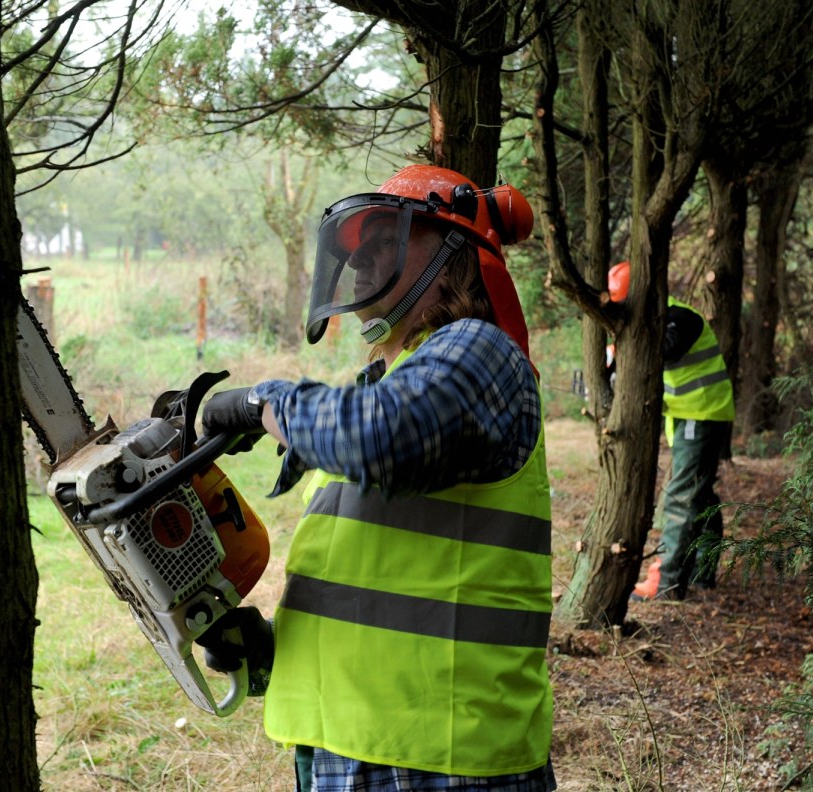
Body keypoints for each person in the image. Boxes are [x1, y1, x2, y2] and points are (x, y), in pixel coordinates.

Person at [198, 165, 556, 791]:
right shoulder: (389, 387)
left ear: (454, 254)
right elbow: (382, 595)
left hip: (444, 761)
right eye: (358, 246)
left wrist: (265, 403)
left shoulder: (480, 351)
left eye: (386, 239)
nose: (363, 261)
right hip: (352, 750)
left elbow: (377, 434)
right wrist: (272, 649)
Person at [606, 261, 735, 602]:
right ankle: (702, 574)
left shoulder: (680, 318)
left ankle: (668, 581)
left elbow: (662, 349)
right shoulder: (655, 321)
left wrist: (624, 347)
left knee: (680, 496)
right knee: (700, 495)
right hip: (690, 415)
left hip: (701, 412)